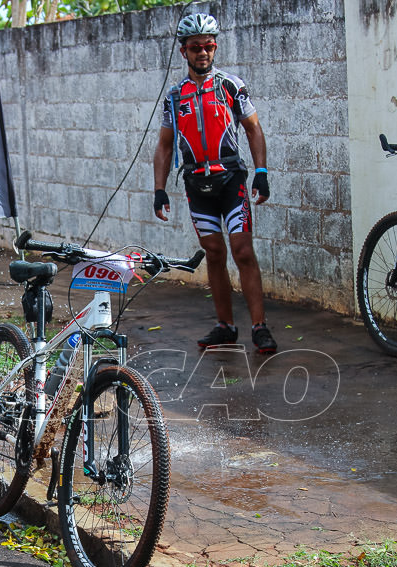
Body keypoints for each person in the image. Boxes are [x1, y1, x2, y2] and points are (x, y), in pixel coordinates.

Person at [153, 13, 277, 354]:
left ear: (215, 47)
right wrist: (159, 189)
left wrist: (262, 174)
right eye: (195, 47)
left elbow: (253, 129)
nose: (202, 53)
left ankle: (259, 326)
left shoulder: (230, 86)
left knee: (243, 251)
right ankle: (225, 325)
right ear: (184, 52)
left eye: (207, 46)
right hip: (196, 184)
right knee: (214, 252)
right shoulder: (175, 96)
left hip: (231, 179)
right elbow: (164, 145)